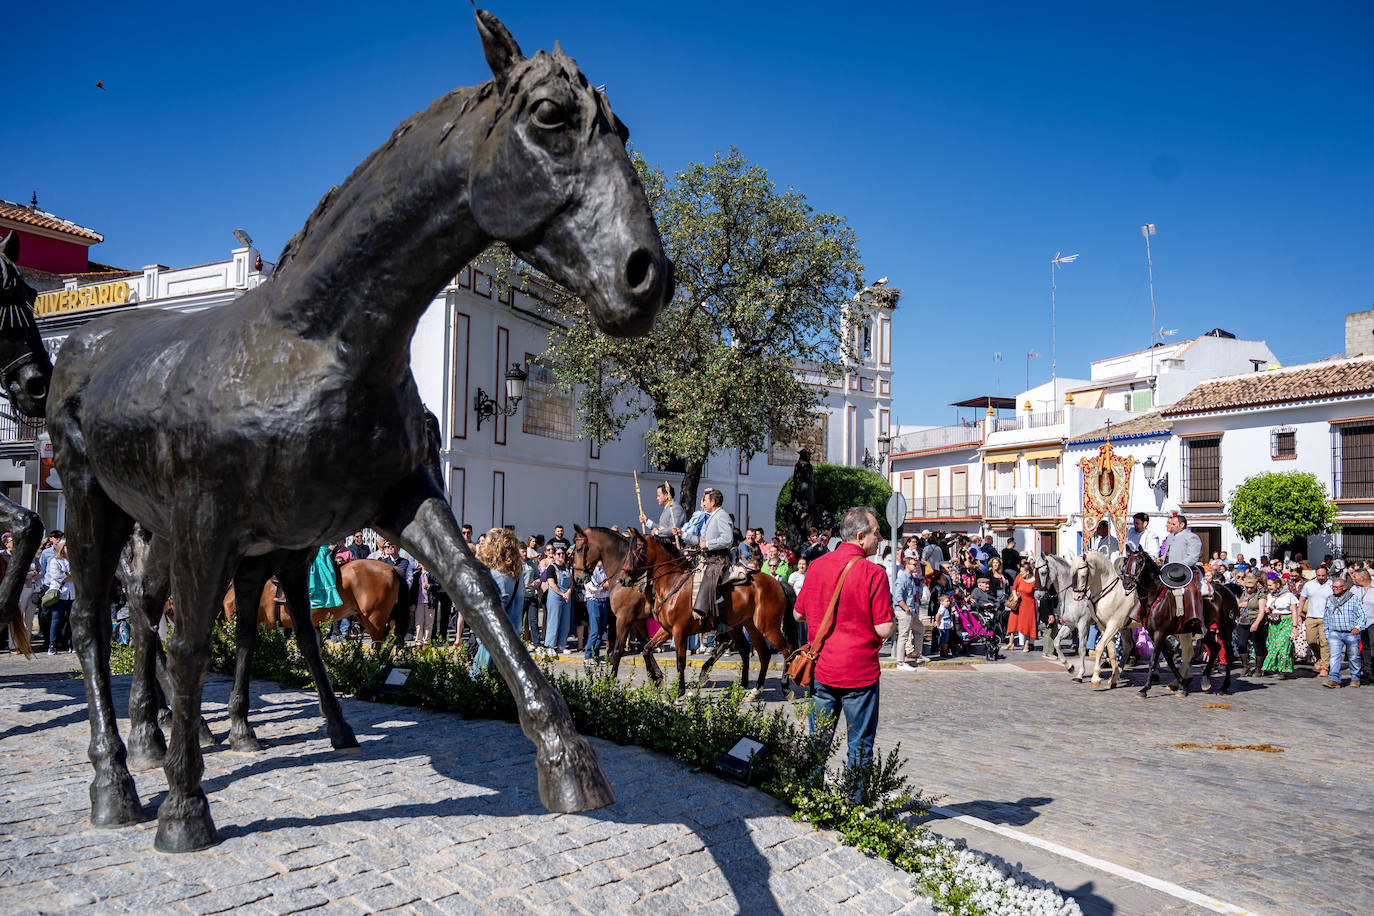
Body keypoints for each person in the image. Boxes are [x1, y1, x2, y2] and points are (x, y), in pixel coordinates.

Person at [793, 506, 894, 788]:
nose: (880, 538)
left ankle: (809, 798)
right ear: (860, 536)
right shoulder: (873, 573)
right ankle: (854, 808)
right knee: (859, 745)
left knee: (817, 742)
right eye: (876, 533)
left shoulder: (816, 566)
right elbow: (884, 629)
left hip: (822, 668)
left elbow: (797, 615)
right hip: (858, 674)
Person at [676, 487, 733, 635]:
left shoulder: (722, 516)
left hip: (719, 559)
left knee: (708, 580)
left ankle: (720, 622)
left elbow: (727, 540)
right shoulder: (712, 516)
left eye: (706, 500)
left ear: (713, 502)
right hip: (709, 558)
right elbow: (701, 540)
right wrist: (684, 535)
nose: (704, 503)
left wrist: (708, 544)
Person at [472, 528, 524, 673]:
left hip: (494, 643)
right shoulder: (518, 577)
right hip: (514, 643)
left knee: (479, 683)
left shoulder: (495, 576)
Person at [1162, 513, 1205, 634]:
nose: (1171, 526)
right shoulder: (1170, 537)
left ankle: (1195, 621)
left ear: (1182, 525)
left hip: (1186, 571)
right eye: (1171, 524)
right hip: (1168, 571)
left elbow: (1193, 557)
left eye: (1174, 524)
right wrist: (1161, 559)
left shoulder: (1192, 537)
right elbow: (1167, 553)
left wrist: (1178, 565)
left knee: (1191, 591)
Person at [1322, 575, 1365, 688]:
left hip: (1350, 632)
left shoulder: (1353, 598)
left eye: (1337, 587)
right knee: (1334, 657)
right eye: (1333, 587)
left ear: (1344, 588)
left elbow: (1362, 615)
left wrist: (1358, 627)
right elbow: (1326, 617)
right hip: (1335, 632)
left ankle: (1355, 678)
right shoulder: (1330, 599)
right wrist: (1327, 632)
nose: (1334, 589)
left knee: (1354, 656)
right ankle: (1334, 679)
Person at [1256, 572, 1297, 678]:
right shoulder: (1270, 596)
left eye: (1270, 585)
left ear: (1277, 585)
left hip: (1286, 621)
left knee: (1283, 645)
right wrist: (1267, 609)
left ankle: (1283, 670)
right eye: (1268, 585)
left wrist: (1295, 627)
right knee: (1273, 646)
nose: (1268, 587)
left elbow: (1294, 611)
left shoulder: (1289, 595)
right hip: (1274, 623)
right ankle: (1279, 669)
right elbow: (1269, 608)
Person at [539, 544, 574, 658]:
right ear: (554, 556)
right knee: (553, 621)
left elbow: (571, 582)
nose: (561, 556)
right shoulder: (551, 568)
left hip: (567, 596)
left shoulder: (568, 567)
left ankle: (562, 645)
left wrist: (568, 592)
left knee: (565, 621)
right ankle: (550, 646)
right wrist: (561, 593)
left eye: (563, 553)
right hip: (555, 596)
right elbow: (551, 583)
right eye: (558, 554)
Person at [1300, 565, 1333, 677]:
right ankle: (1319, 657)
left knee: (1324, 642)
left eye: (1323, 575)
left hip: (1326, 618)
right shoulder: (1309, 585)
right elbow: (1302, 599)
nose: (1320, 577)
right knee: (1311, 641)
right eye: (1318, 575)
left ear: (1327, 574)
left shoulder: (1331, 585)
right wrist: (1299, 614)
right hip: (1311, 616)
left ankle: (1325, 666)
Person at [44, 539, 74, 655]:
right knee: (56, 619)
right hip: (60, 593)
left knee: (72, 621)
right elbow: (57, 576)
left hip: (73, 594)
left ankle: (71, 644)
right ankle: (52, 644)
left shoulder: (74, 561)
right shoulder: (55, 561)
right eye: (66, 546)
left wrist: (69, 577)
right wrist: (70, 577)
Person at [890, 555, 921, 669]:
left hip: (910, 609)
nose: (916, 566)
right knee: (903, 635)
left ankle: (918, 654)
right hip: (903, 610)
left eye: (916, 564)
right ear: (907, 565)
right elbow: (898, 596)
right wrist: (906, 608)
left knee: (920, 629)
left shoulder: (910, 577)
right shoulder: (903, 578)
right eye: (914, 564)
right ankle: (900, 662)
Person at [1008, 561, 1038, 652]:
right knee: (1014, 622)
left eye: (1022, 572)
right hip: (1019, 603)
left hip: (1029, 605)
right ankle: (1011, 643)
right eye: (1020, 571)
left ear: (1028, 572)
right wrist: (1016, 596)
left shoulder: (1034, 581)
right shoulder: (1019, 577)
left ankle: (1027, 645)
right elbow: (1014, 588)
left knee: (1027, 625)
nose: (1021, 573)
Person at [584, 559, 609, 663]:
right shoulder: (590, 572)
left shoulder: (605, 570)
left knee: (601, 630)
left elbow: (610, 586)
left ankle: (596, 654)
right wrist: (603, 587)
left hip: (604, 601)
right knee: (595, 630)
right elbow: (592, 589)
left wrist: (602, 587)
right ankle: (588, 655)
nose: (600, 561)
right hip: (593, 602)